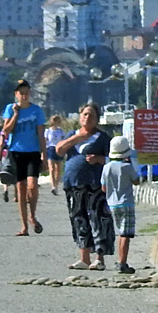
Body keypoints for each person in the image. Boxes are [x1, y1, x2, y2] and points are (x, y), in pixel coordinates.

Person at [56, 103, 113, 270]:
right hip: (73, 183)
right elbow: (58, 150)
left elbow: (115, 160)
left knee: (98, 218)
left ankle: (99, 258)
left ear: (97, 119)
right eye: (85, 115)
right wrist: (76, 138)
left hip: (95, 183)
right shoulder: (72, 135)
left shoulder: (103, 138)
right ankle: (84, 258)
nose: (87, 118)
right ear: (80, 117)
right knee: (78, 219)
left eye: (91, 115)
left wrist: (99, 160)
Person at [0, 80, 47, 235]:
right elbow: (6, 130)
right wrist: (15, 114)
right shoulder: (10, 109)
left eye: (27, 92)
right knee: (21, 187)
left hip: (32, 151)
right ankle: (24, 225)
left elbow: (41, 135)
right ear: (16, 94)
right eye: (21, 92)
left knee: (32, 185)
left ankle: (33, 215)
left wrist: (44, 156)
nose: (24, 95)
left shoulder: (36, 111)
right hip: (16, 151)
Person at [102, 135, 138, 274]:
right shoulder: (127, 167)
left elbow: (103, 188)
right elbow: (136, 181)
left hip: (112, 204)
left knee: (120, 232)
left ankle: (120, 260)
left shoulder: (106, 168)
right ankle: (122, 262)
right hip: (126, 202)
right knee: (126, 234)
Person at [44, 113, 68, 187]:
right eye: (55, 121)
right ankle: (53, 185)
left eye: (57, 121)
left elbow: (64, 139)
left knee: (58, 169)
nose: (56, 122)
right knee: (51, 168)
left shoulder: (60, 131)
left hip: (59, 149)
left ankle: (56, 184)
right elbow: (45, 141)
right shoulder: (48, 131)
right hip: (50, 148)